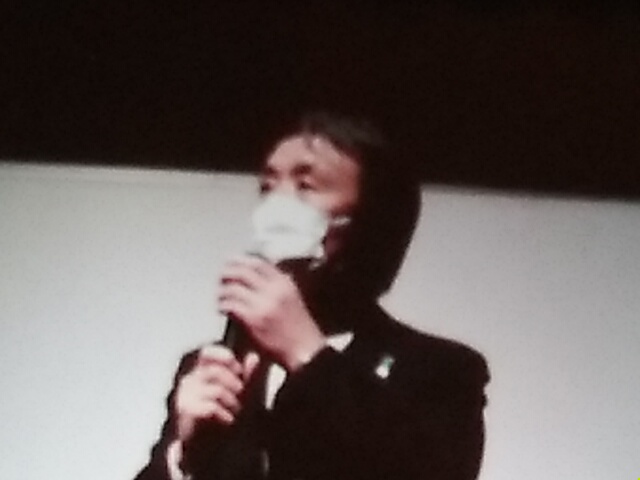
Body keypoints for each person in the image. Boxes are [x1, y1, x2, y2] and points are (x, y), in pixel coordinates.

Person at [134, 112, 490, 480]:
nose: (278, 203)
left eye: (305, 186)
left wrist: (306, 353)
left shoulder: (441, 370)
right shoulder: (215, 367)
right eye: (268, 187)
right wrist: (182, 457)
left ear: (371, 218)